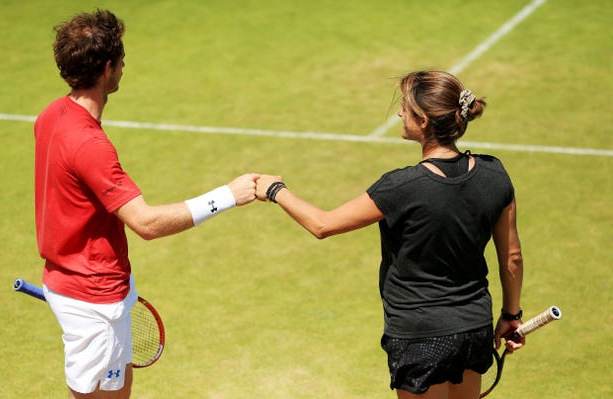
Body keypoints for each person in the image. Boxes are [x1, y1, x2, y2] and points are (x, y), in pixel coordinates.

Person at [256, 70, 525, 399]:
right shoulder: (495, 174)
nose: (399, 113)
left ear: (423, 121)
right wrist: (511, 315)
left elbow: (322, 225)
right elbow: (512, 256)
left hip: (420, 336)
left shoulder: (402, 186)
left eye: (405, 108)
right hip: (474, 328)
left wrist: (274, 189)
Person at [34, 9, 258, 399]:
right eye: (121, 61)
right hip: (95, 297)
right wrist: (228, 196)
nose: (124, 67)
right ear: (107, 69)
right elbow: (146, 223)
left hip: (70, 281)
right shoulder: (91, 145)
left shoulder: (51, 115)